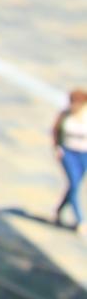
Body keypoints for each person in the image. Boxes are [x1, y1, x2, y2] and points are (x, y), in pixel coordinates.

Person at [52, 89, 87, 229]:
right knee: (73, 183)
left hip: (84, 153)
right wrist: (57, 148)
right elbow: (56, 131)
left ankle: (59, 210)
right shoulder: (65, 116)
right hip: (68, 153)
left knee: (75, 185)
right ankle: (80, 220)